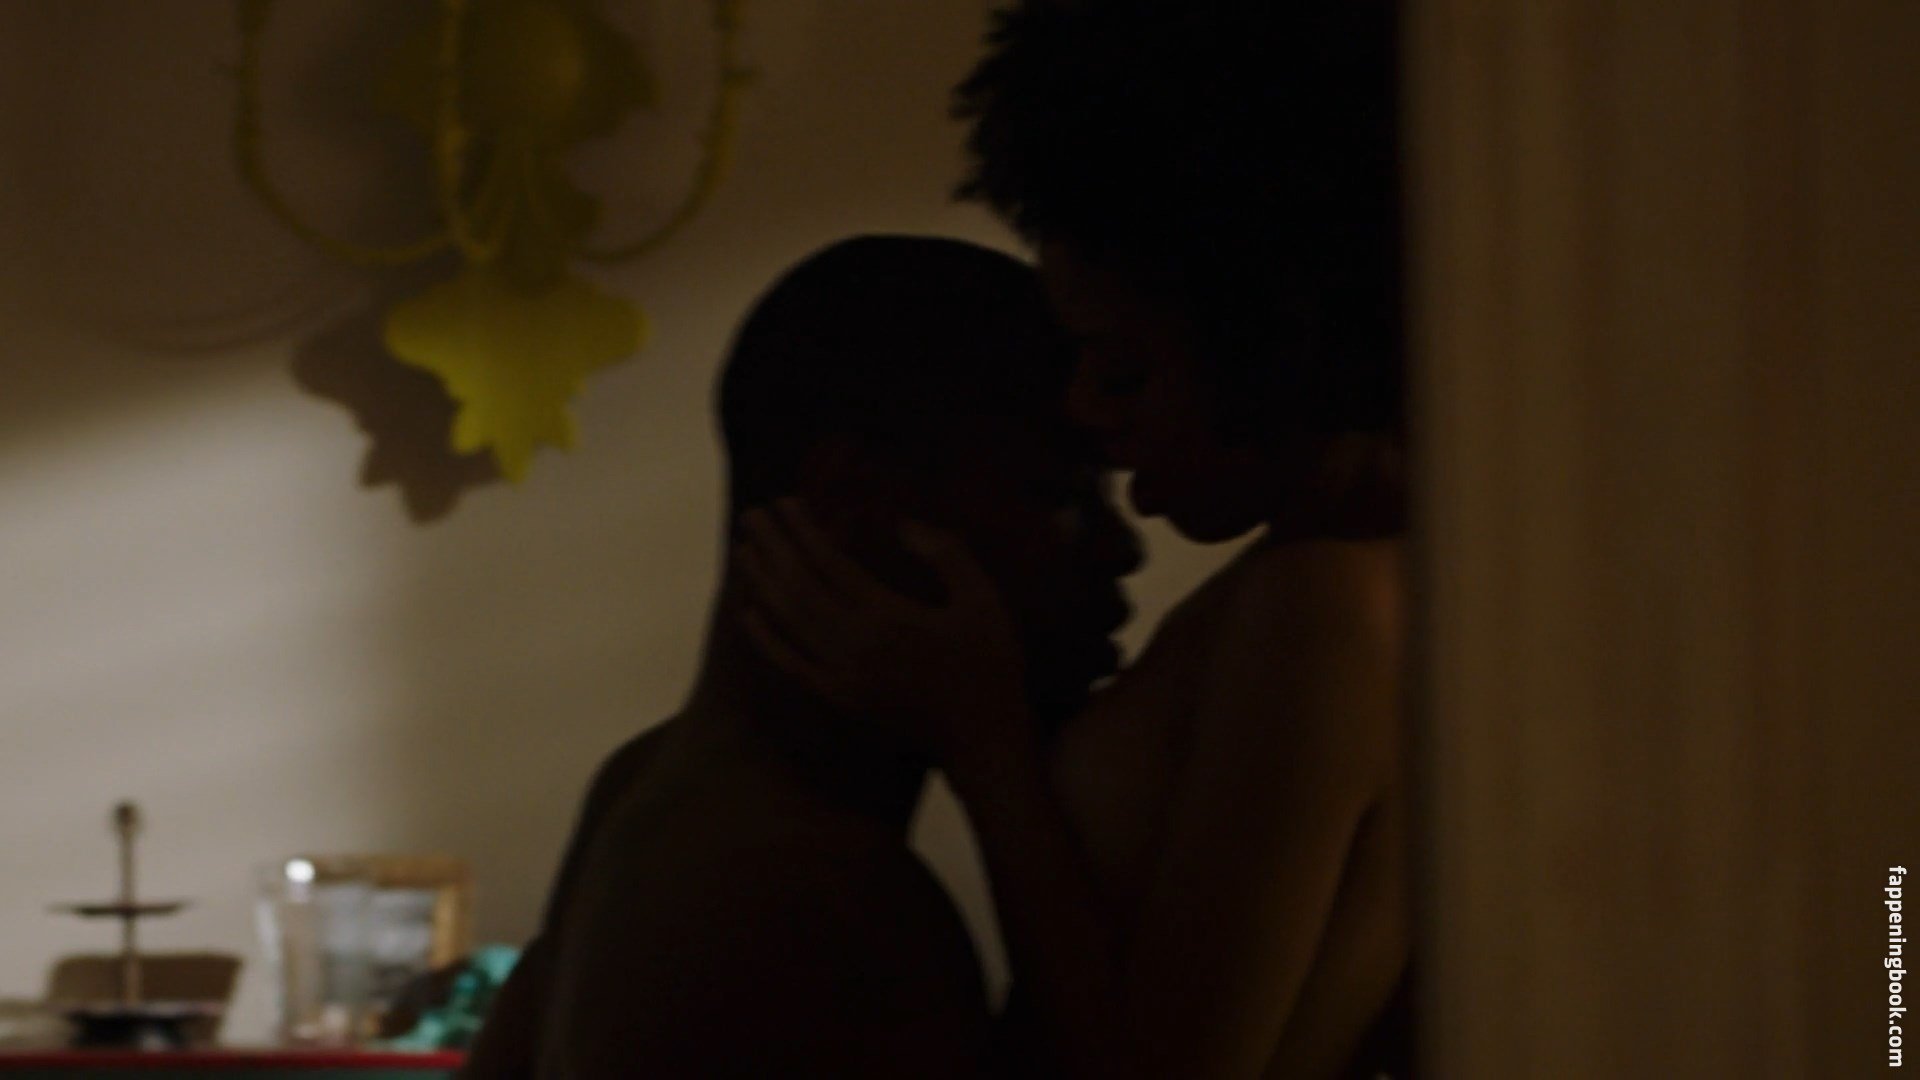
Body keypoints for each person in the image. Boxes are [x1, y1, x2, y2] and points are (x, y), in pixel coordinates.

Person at [735, 2, 1410, 1076]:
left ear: (1271, 341)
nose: (1089, 410)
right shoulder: (1326, 576)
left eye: (1125, 370)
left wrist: (985, 745)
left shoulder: (1323, 606)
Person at [460, 234, 1141, 1079]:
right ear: (851, 495)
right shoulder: (832, 898)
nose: (1122, 549)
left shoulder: (642, 784)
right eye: (1059, 497)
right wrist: (997, 768)